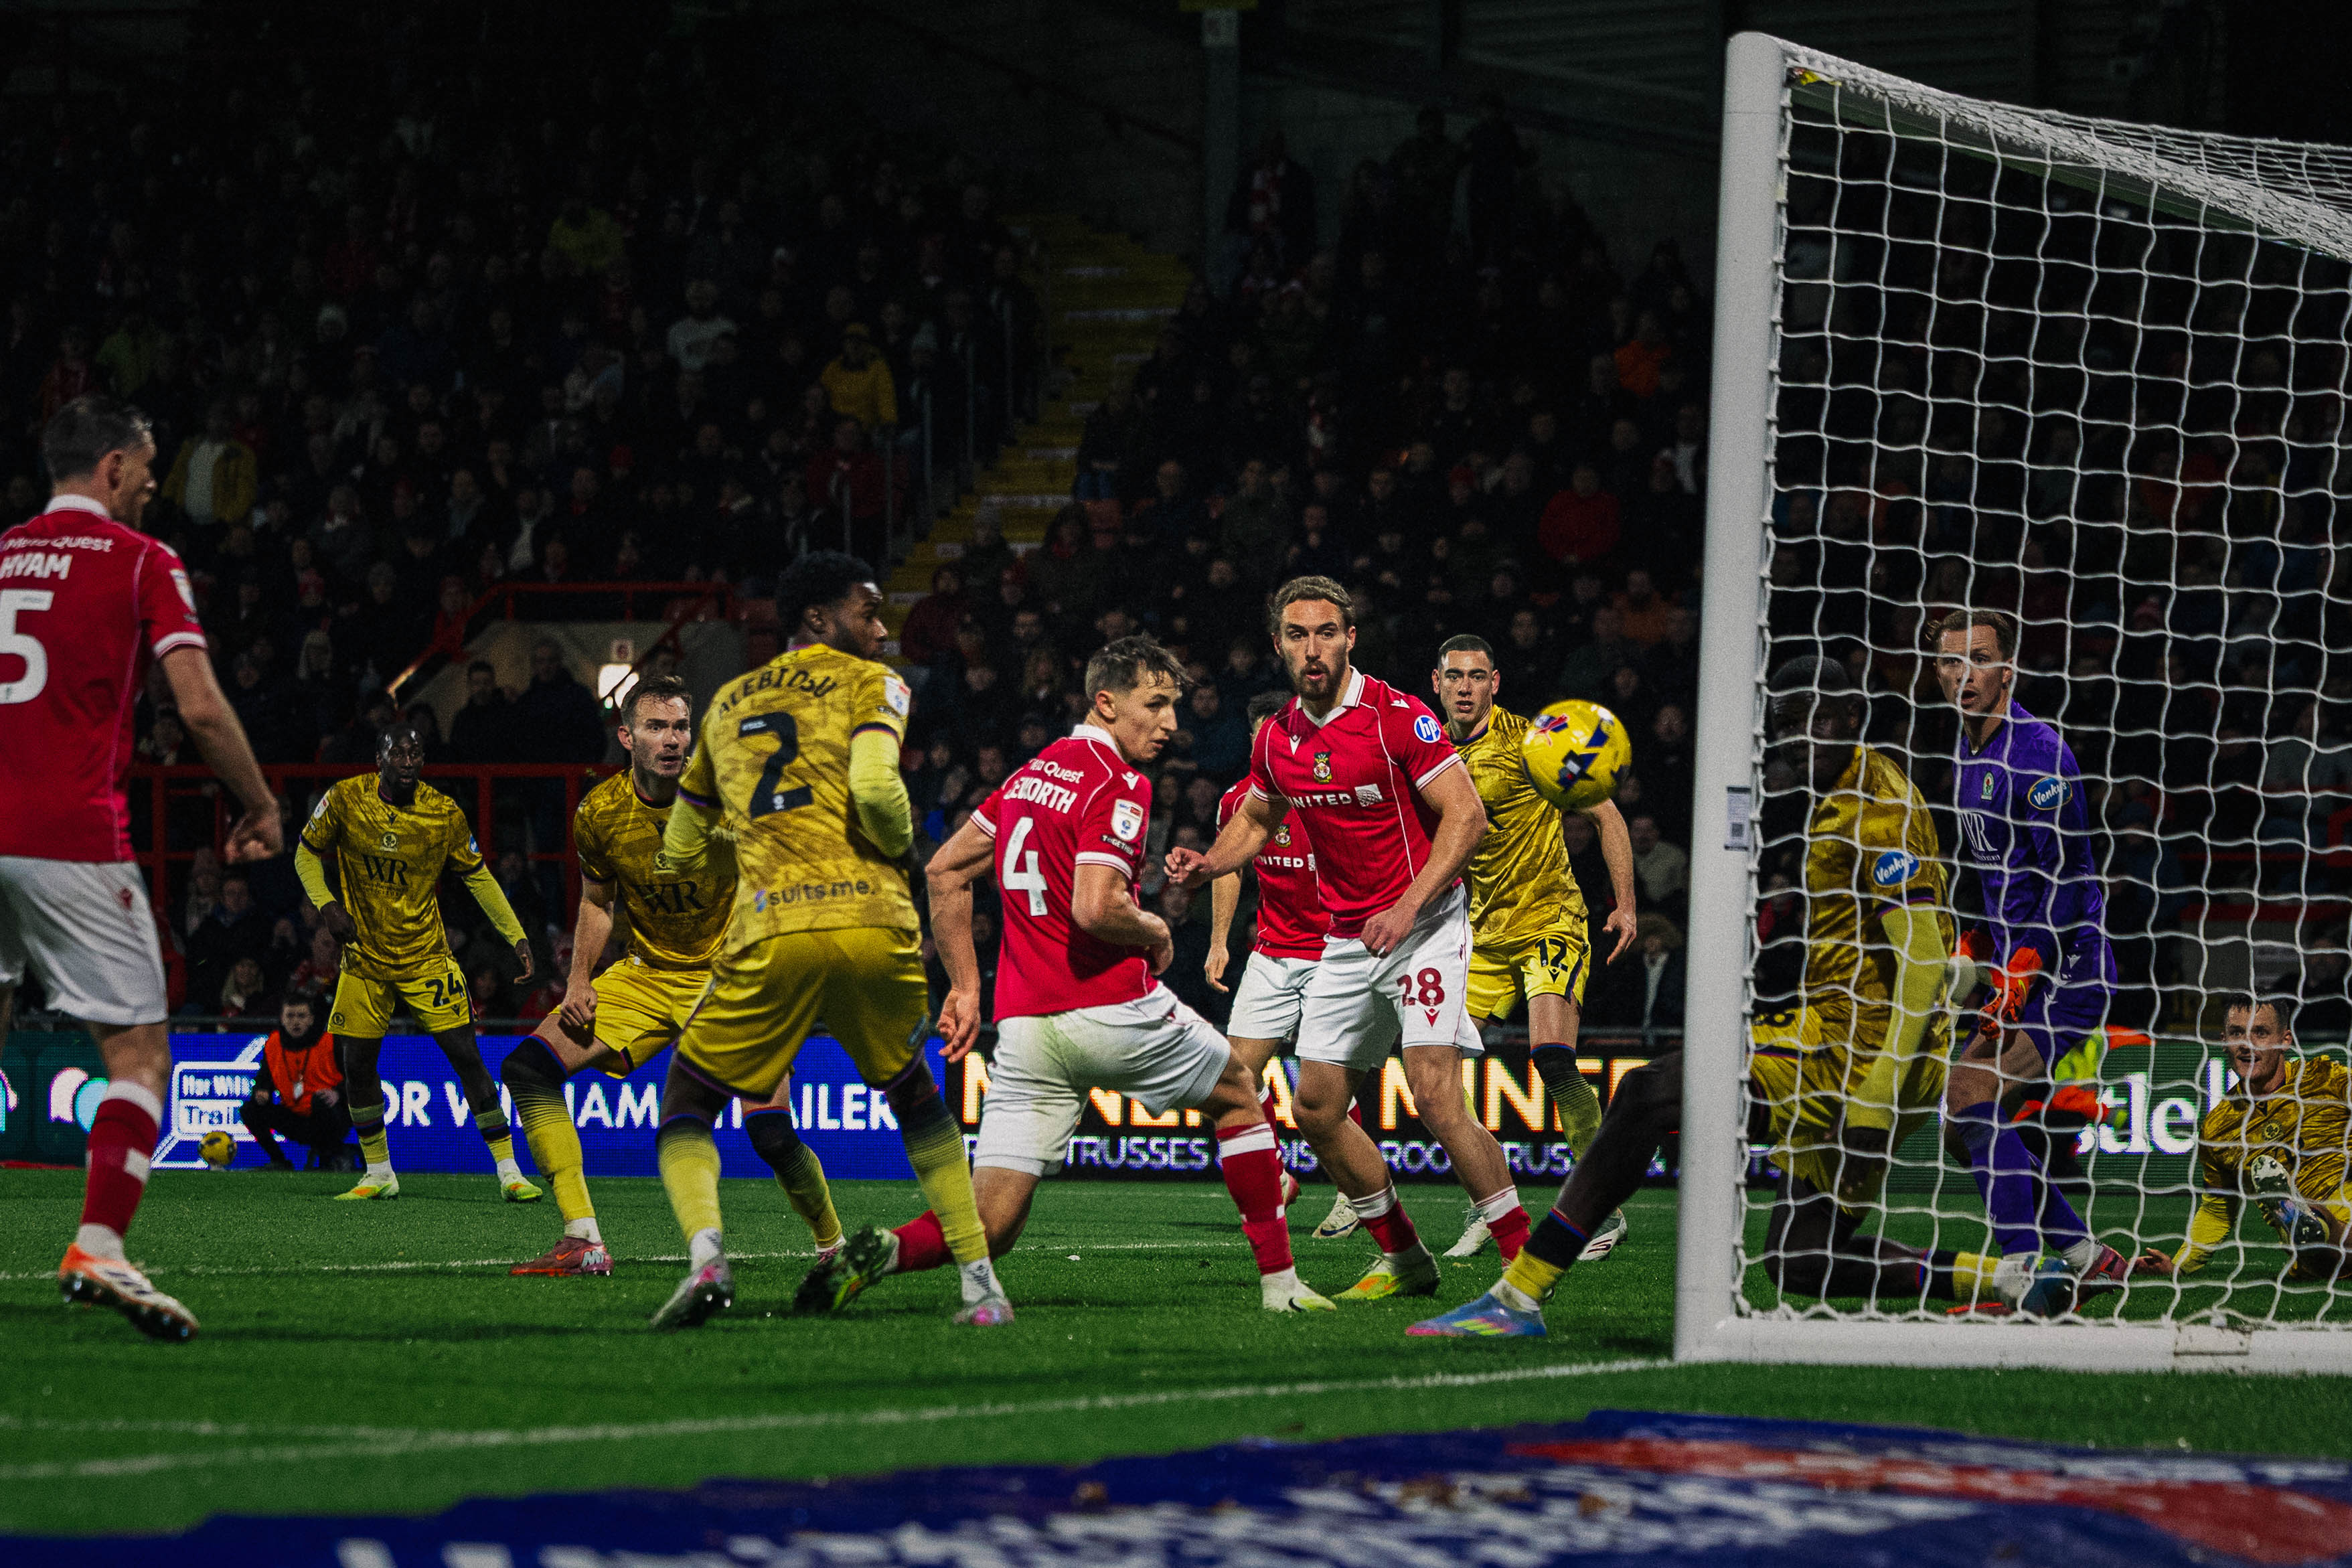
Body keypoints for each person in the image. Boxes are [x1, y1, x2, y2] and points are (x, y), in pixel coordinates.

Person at [1411, 657, 1976, 1336]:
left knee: (1649, 1092)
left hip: (1861, 1052)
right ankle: (2011, 1276)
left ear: (1855, 719)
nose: (1800, 738)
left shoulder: (1876, 808)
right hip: (1878, 1048)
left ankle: (1519, 1294)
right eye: (1788, 724)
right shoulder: (1848, 793)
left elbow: (1922, 959)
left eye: (1818, 721)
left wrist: (1880, 1087)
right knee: (1803, 1258)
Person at [801, 637, 1336, 1318]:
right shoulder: (1119, 781)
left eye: (1173, 705)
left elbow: (943, 871)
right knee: (1238, 1090)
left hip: (1022, 1025)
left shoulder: (1029, 775)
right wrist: (1157, 928)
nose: (1171, 722)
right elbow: (1096, 905)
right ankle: (1282, 1287)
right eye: (1157, 704)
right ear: (1106, 702)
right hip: (1107, 1004)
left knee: (990, 1225)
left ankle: (881, 1249)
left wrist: (966, 987)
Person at [644, 552, 992, 1330]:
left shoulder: (727, 701)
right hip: (873, 920)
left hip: (773, 928)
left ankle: (706, 1259)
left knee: (690, 1098)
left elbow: (682, 834)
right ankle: (981, 1287)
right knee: (912, 1094)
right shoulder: (877, 684)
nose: (879, 627)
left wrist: (706, 860)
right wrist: (904, 848)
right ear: (815, 620)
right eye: (867, 612)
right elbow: (874, 788)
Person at [2, 395, 281, 1341]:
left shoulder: (1, 551)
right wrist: (258, 801)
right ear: (113, 468)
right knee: (138, 1055)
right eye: (149, 472)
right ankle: (99, 1243)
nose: (155, 489)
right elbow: (198, 707)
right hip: (69, 833)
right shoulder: (139, 560)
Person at [1168, 576, 1502, 1305]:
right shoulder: (1281, 735)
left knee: (1436, 1095)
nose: (1311, 647)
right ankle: (1407, 1257)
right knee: (1316, 1107)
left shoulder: (1398, 716)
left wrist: (1408, 906)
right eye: (1296, 634)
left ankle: (1525, 1272)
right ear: (1280, 644)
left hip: (1427, 924)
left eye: (1325, 632)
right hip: (1348, 938)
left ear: (1350, 637)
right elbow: (1257, 818)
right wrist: (1209, 862)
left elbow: (1466, 817)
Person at [499, 675, 843, 1277]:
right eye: (656, 727)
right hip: (649, 973)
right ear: (627, 737)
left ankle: (834, 1246)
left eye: (681, 726)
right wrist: (580, 978)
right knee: (528, 1069)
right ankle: (582, 1239)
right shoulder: (600, 812)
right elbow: (598, 902)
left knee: (769, 1135)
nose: (671, 739)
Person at [1934, 609, 2130, 1313]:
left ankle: (2022, 1273)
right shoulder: (1966, 752)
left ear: (2008, 669)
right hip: (2017, 971)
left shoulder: (2039, 752)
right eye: (1953, 662)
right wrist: (1973, 952)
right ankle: (2088, 1256)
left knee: (1968, 1095)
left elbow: (2070, 884)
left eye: (1981, 659)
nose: (1966, 675)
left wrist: (2019, 969)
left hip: (2069, 967)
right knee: (1963, 1127)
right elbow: (1998, 882)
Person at [1429, 634, 1638, 1261]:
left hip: (1549, 918)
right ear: (1436, 682)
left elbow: (1607, 816)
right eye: (1453, 676)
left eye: (1476, 675)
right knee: (1433, 1071)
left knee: (1551, 1057)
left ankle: (1602, 1207)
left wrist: (1624, 903)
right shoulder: (1428, 749)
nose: (1464, 686)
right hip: (1481, 935)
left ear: (1496, 683)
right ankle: (1489, 1205)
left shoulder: (1532, 743)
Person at [295, 720, 538, 1202]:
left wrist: (516, 935)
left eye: (415, 755)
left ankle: (509, 1170)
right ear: (379, 760)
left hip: (426, 957)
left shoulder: (443, 813)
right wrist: (327, 906)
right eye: (397, 754)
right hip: (365, 958)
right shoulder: (345, 798)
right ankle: (379, 1172)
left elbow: (479, 877)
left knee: (466, 1054)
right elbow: (305, 855)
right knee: (358, 1064)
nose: (407, 762)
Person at [1205, 690, 1338, 1236]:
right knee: (1230, 1076)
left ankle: (1357, 1192)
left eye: (1280, 732)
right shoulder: (1239, 800)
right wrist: (1219, 941)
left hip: (1337, 952)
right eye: (1263, 734)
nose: (1273, 742)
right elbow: (1228, 868)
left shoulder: (1330, 791)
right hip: (1274, 951)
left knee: (1322, 1086)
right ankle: (1277, 1173)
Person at [2134, 997, 2351, 1284]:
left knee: (2322, 1224)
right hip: (2319, 1258)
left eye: (2260, 1033)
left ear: (2285, 1040)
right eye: (2237, 1033)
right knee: (2317, 1231)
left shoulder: (2327, 1078)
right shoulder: (2219, 1128)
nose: (2247, 1044)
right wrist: (2178, 1267)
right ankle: (2305, 1221)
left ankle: (2305, 1220)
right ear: (2224, 1041)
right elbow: (2217, 1210)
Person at [239, 994, 349, 1170]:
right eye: (290, 1016)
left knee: (320, 1100)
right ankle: (279, 1161)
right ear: (282, 1019)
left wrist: (338, 1093)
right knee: (249, 1109)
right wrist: (262, 1091)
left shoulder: (330, 1040)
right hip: (295, 1115)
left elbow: (357, 1077)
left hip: (331, 1114)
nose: (295, 1022)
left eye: (301, 1016)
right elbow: (264, 1078)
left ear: (312, 1019)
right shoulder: (274, 1042)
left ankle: (332, 1157)